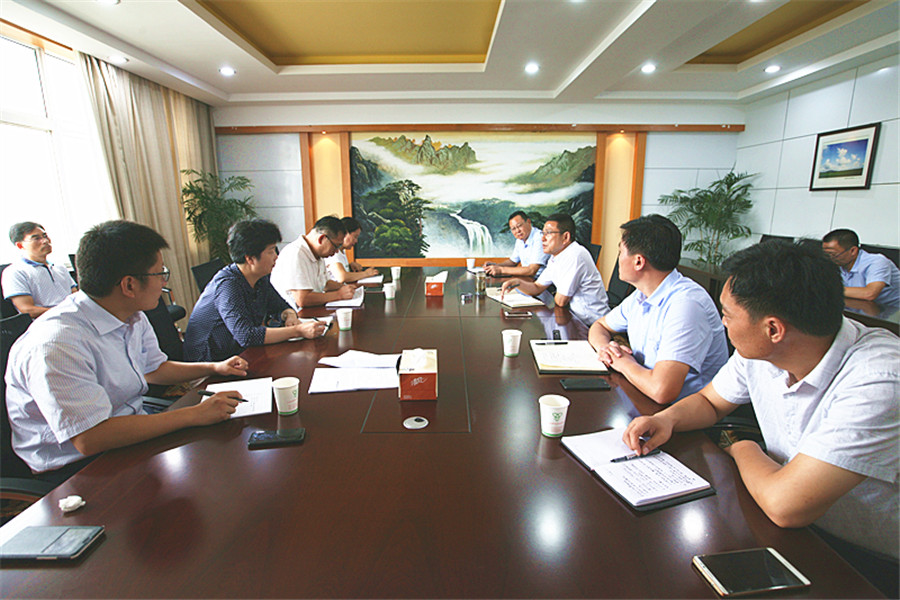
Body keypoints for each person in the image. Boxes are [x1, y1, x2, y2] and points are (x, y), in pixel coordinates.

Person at [622, 241, 898, 595]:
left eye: (727, 314)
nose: (722, 322)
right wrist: (668, 419)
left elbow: (786, 505)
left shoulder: (880, 378)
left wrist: (743, 446)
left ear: (773, 329)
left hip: (865, 562)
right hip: (790, 528)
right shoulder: (764, 350)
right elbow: (710, 402)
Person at [5, 220, 250, 485]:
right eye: (160, 273)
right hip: (78, 468)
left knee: (226, 461)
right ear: (129, 285)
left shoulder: (129, 314)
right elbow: (90, 438)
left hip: (129, 431)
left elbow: (154, 369)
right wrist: (193, 414)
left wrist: (214, 367)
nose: (164, 282)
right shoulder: (57, 344)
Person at [588, 215, 728, 404]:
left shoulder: (686, 305)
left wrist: (621, 362)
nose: (618, 258)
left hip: (682, 412)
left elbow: (662, 391)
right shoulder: (641, 295)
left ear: (638, 262)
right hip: (642, 395)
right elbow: (599, 326)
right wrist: (605, 349)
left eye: (620, 252)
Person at [183, 218, 325, 362]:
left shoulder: (260, 278)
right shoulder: (228, 285)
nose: (276, 257)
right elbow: (246, 335)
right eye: (271, 251)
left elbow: (280, 306)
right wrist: (297, 331)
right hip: (209, 362)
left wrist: (289, 315)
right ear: (250, 259)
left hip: (239, 355)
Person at [500, 213, 608, 326]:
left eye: (548, 233)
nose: (543, 238)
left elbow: (561, 301)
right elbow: (537, 287)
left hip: (590, 323)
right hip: (572, 318)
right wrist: (517, 283)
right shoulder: (556, 256)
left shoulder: (575, 255)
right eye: (543, 233)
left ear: (565, 237)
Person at [270, 215, 357, 309]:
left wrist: (344, 287)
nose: (336, 251)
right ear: (321, 239)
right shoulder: (296, 254)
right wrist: (339, 295)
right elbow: (302, 299)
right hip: (294, 314)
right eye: (336, 246)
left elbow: (325, 284)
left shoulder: (318, 254)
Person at [2, 222, 77, 318]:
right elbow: (26, 309)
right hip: (47, 321)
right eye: (36, 238)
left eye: (45, 236)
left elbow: (75, 296)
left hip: (74, 317)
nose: (45, 241)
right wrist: (65, 312)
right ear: (20, 245)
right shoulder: (15, 272)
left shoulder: (59, 267)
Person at [822, 228, 900, 306]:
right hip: (862, 307)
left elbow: (870, 293)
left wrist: (829, 289)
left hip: (893, 310)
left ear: (853, 251)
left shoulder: (877, 262)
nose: (829, 258)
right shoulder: (838, 263)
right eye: (826, 254)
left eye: (833, 254)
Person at [484, 211, 550, 277]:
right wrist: (495, 266)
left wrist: (501, 270)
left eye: (519, 226)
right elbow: (512, 262)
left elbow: (531, 270)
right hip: (528, 278)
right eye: (513, 229)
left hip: (541, 280)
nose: (517, 231)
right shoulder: (520, 240)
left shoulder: (540, 238)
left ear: (528, 222)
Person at [325, 217, 379, 283]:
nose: (356, 241)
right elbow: (342, 277)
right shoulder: (333, 253)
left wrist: (349, 266)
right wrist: (366, 273)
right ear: (344, 233)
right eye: (355, 236)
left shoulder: (342, 252)